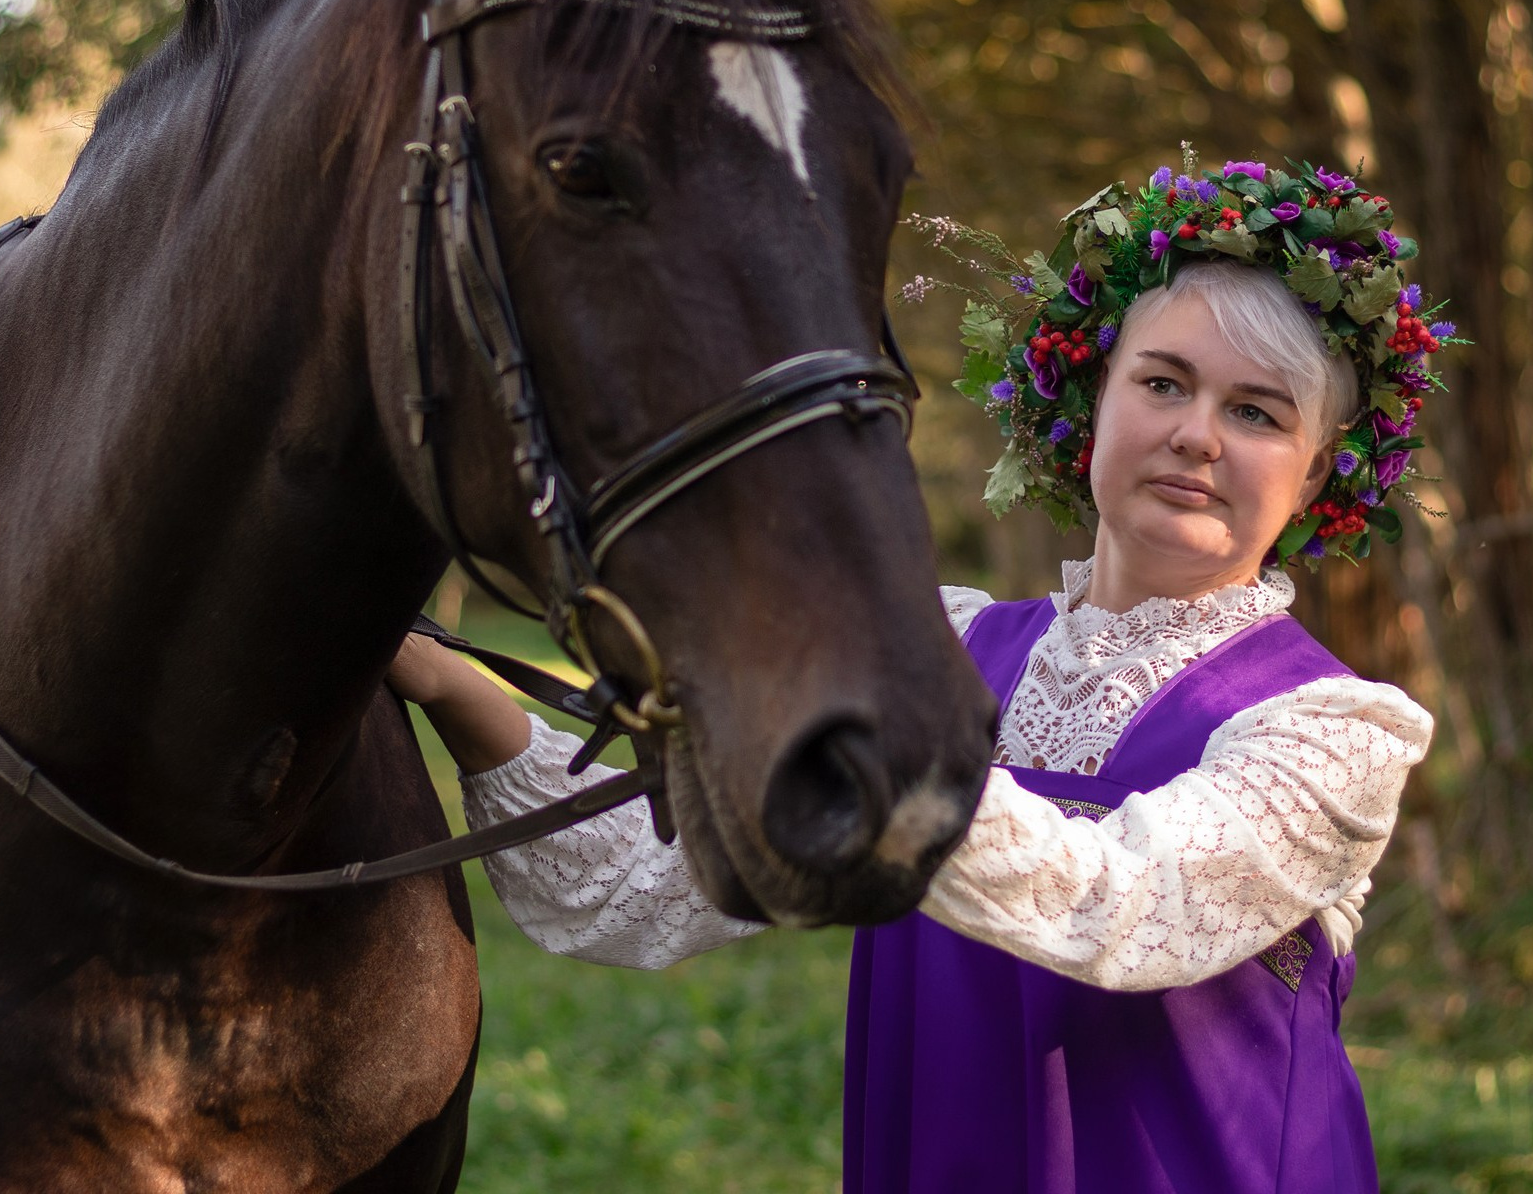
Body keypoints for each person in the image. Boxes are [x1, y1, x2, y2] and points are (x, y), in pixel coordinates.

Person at [392, 155, 1445, 1192]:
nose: (1195, 435)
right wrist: (450, 686)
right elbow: (641, 884)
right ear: (1093, 398)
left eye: (1257, 412)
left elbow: (1119, 906)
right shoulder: (941, 647)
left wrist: (855, 708)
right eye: (1162, 382)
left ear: (1316, 470)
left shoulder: (1333, 730)